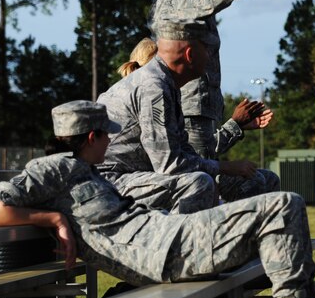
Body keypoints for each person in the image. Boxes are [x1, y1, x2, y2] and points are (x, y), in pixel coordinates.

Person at [0, 100, 315, 298]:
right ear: (92, 137)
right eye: (107, 135)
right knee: (284, 205)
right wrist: (51, 220)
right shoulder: (52, 168)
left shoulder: (85, 170)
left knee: (282, 209)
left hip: (166, 235)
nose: (111, 140)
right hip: (158, 253)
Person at [147, 0, 286, 183]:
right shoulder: (183, 2)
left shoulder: (166, 1)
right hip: (192, 110)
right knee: (200, 183)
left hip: (194, 108)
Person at [98, 34, 276, 210]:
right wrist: (228, 163)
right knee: (199, 183)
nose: (209, 57)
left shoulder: (167, 89)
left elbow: (187, 153)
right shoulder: (154, 88)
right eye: (205, 50)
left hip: (138, 176)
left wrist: (235, 129)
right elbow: (173, 164)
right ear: (189, 55)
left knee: (260, 179)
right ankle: (190, 239)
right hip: (111, 183)